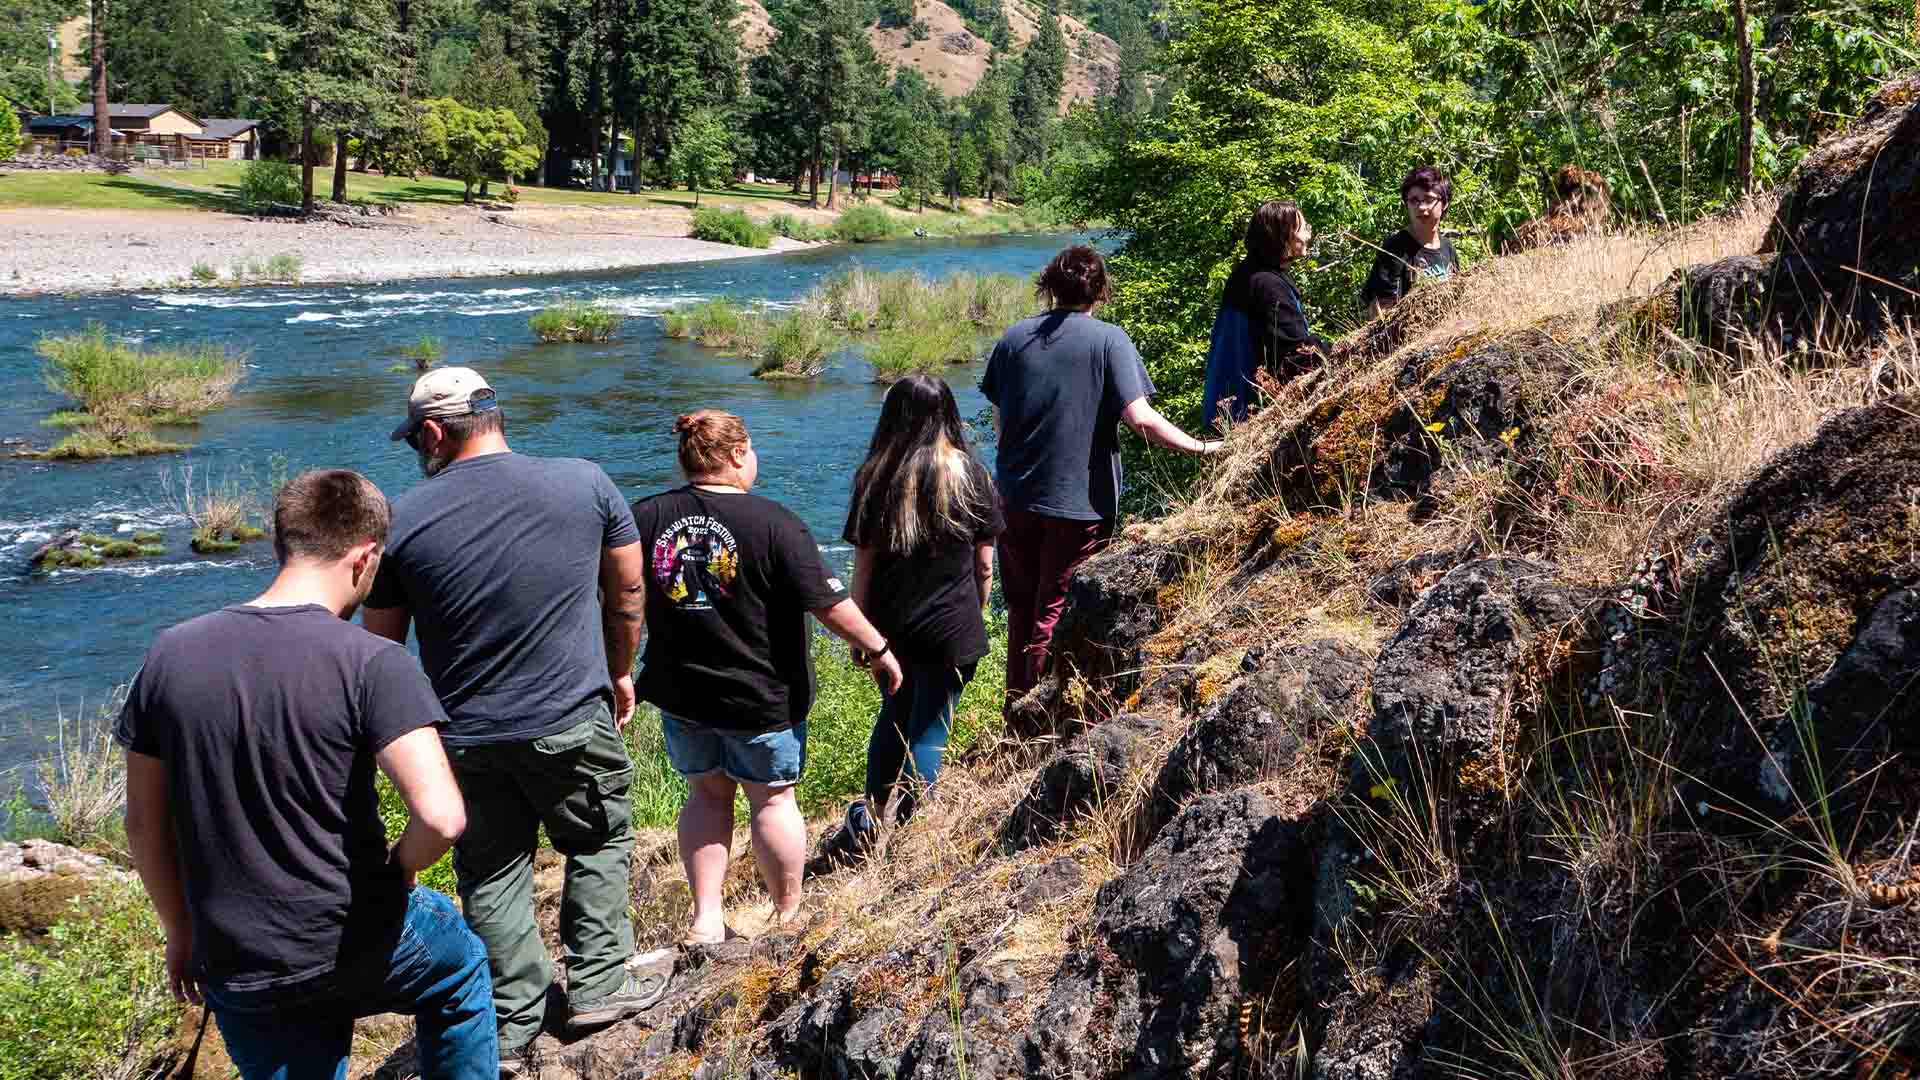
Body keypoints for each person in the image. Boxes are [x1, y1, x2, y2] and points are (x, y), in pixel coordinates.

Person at [121, 469, 495, 1079]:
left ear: (281, 545)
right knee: (459, 969)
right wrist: (398, 869)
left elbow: (143, 824)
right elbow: (442, 816)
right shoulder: (372, 661)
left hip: (236, 958)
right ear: (366, 557)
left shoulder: (169, 654)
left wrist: (181, 932)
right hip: (355, 940)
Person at [362, 367, 672, 1060]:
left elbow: (378, 651)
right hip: (569, 716)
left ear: (436, 432)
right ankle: (595, 990)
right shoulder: (585, 482)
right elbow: (627, 591)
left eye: (417, 436)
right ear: (496, 417)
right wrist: (621, 670)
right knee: (595, 842)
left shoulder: (402, 519)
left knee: (493, 873)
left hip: (462, 736)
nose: (419, 447)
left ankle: (512, 1019)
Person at [630, 410, 903, 943]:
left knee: (706, 796)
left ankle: (706, 920)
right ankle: (786, 916)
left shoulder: (645, 517)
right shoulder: (774, 522)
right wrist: (877, 647)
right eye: (751, 452)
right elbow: (829, 603)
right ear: (736, 455)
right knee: (772, 801)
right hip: (760, 693)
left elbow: (620, 599)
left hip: (682, 693)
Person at [983, 244, 1223, 716]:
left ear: (1049, 285)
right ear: (1102, 290)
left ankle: (1015, 708)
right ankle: (1038, 718)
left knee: (1022, 609)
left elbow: (998, 419)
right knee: (1053, 610)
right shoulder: (1109, 340)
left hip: (1014, 497)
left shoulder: (1014, 339)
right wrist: (1201, 448)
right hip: (1078, 503)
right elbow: (1143, 419)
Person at [826, 375, 1004, 860]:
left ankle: (869, 816)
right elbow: (984, 564)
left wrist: (858, 633)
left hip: (890, 627)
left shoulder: (875, 476)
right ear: (948, 414)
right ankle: (913, 834)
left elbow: (862, 565)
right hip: (952, 624)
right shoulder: (973, 474)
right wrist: (977, 609)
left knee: (894, 717)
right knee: (932, 725)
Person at [1201, 199, 1333, 427]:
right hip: (1247, 413)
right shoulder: (1268, 285)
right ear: (1283, 236)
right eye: (1302, 228)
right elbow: (1297, 351)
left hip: (1223, 408)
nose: (1307, 235)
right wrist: (1342, 353)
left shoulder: (1246, 273)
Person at [1361, 165, 1461, 319]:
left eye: (1429, 199)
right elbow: (1379, 311)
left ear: (1444, 203)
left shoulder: (1448, 248)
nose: (1421, 207)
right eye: (1414, 200)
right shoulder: (1395, 248)